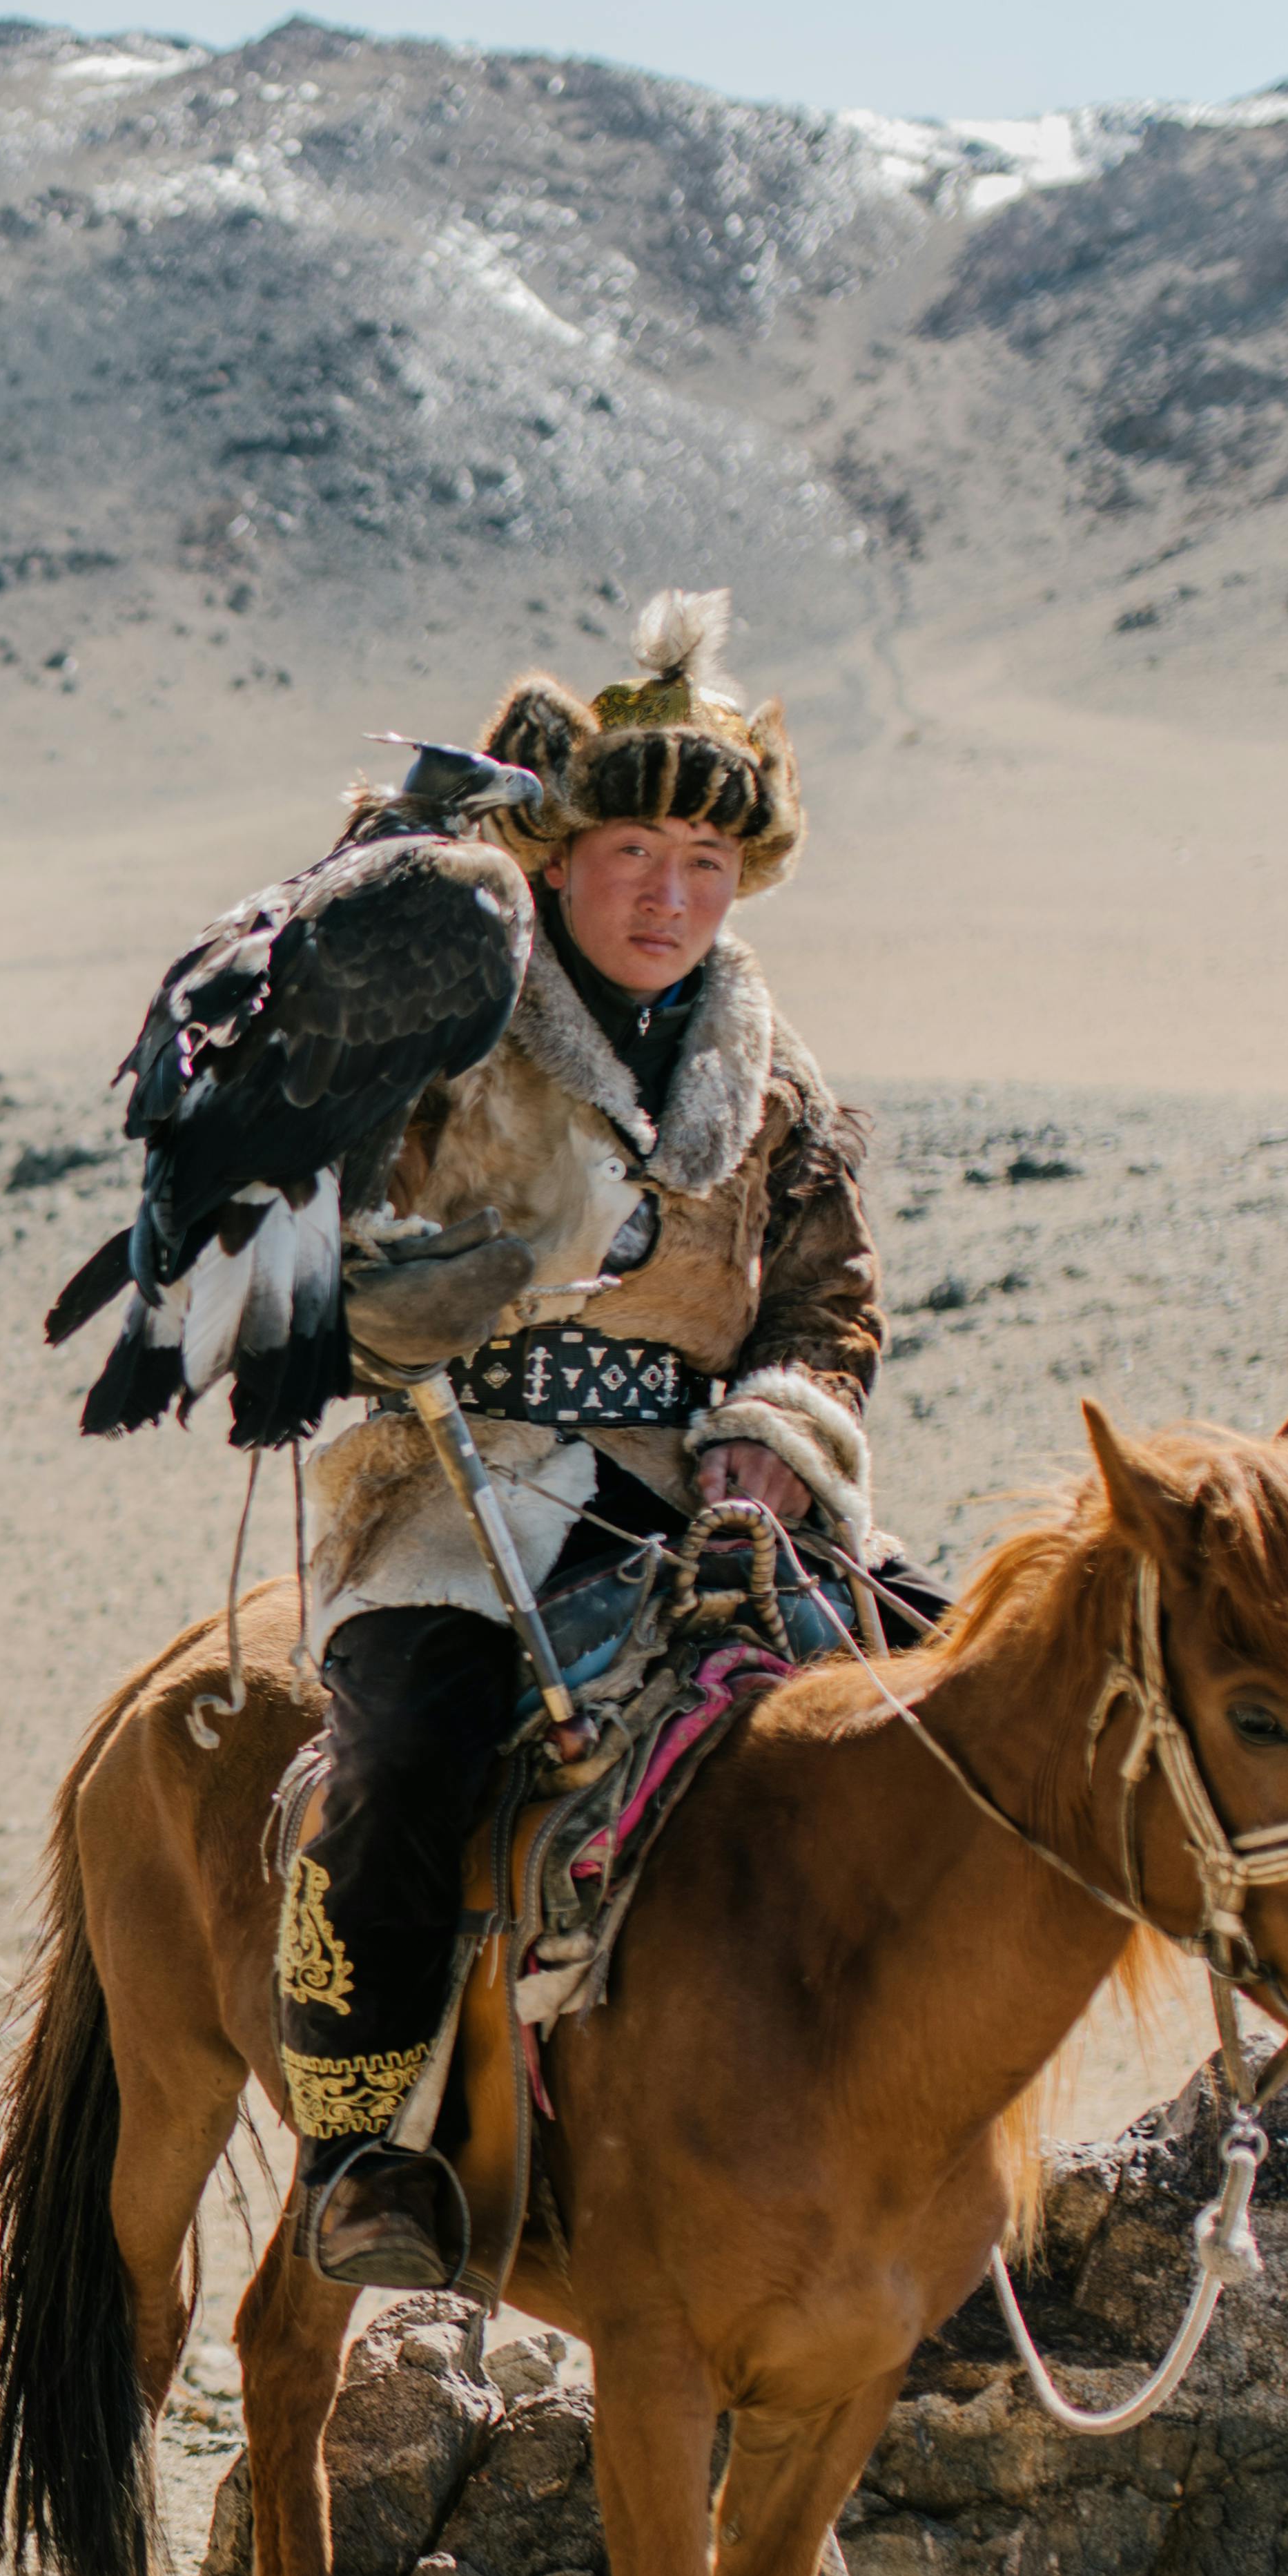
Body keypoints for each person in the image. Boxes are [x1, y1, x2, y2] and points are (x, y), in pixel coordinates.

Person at [276, 592, 886, 2287]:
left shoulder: (774, 1083)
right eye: (633, 850)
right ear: (556, 859)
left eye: (705, 860)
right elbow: (320, 1202)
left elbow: (829, 1303)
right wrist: (387, 1308)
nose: (668, 894)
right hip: (467, 1487)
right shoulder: (454, 1024)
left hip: (708, 1491)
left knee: (957, 1693)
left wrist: (776, 1437)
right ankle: (361, 2148)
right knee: (405, 1747)